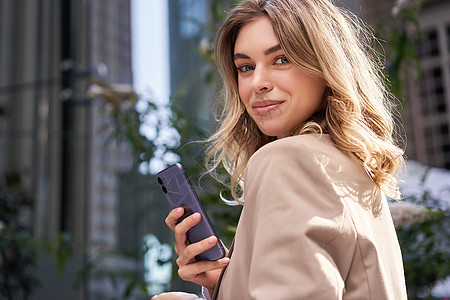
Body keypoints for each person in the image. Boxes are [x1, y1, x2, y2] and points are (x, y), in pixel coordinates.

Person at [152, 0, 407, 299]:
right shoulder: (352, 169)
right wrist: (227, 279)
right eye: (245, 67)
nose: (257, 82)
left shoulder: (288, 159)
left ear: (325, 65)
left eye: (281, 59)